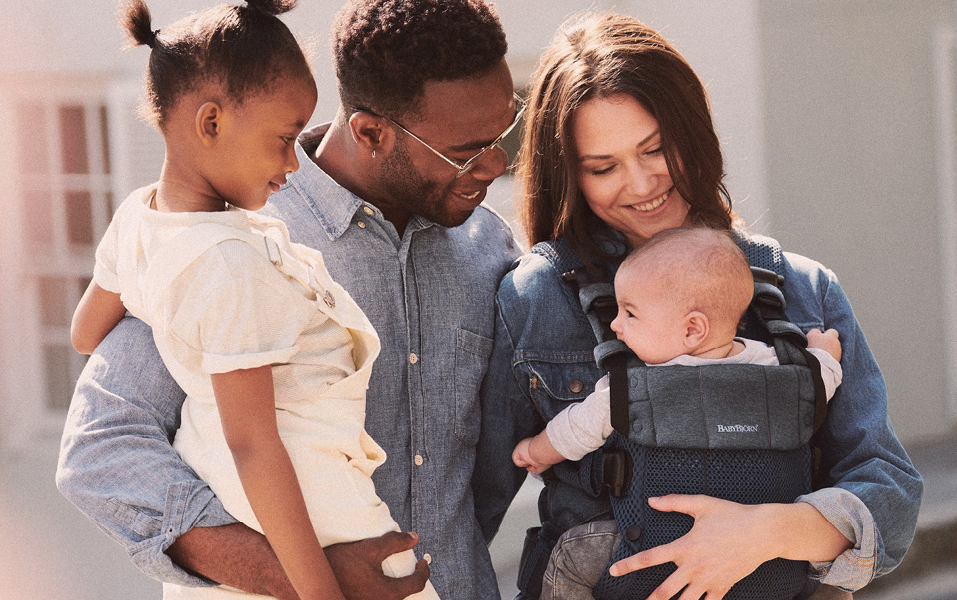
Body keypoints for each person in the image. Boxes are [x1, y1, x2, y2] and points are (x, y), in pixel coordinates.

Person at [56, 2, 522, 599]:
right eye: (467, 149)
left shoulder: (489, 248)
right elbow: (103, 449)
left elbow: (492, 465)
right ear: (371, 132)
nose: (497, 163)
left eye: (504, 132)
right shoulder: (228, 237)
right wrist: (308, 584)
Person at [473, 12, 922, 600]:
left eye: (655, 149)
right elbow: (470, 504)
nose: (639, 184)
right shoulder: (537, 298)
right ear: (571, 177)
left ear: (695, 132)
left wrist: (762, 534)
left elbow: (887, 488)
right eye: (603, 167)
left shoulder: (804, 291)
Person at [511, 226, 843, 477]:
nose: (614, 325)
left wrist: (535, 452)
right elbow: (819, 384)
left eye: (630, 312)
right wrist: (822, 353)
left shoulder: (636, 389)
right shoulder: (774, 365)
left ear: (692, 329)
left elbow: (576, 429)